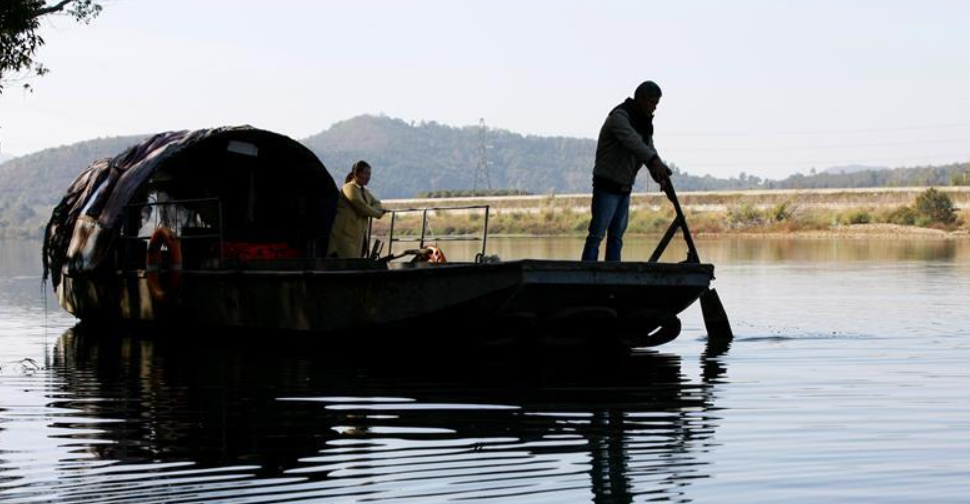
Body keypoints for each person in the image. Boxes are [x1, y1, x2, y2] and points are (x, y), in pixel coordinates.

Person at [581, 80, 672, 262]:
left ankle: (613, 276)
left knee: (616, 238)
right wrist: (654, 161)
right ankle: (587, 275)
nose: (654, 108)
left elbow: (648, 148)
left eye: (657, 104)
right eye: (652, 103)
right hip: (607, 186)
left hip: (624, 187)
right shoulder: (619, 117)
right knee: (597, 235)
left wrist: (660, 174)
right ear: (640, 99)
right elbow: (634, 143)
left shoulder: (645, 124)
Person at [327, 160, 387, 258]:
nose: (368, 177)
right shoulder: (349, 188)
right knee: (347, 263)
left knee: (355, 262)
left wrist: (376, 209)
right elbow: (361, 206)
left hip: (356, 236)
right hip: (345, 235)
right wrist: (378, 213)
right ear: (357, 174)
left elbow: (376, 203)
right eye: (365, 173)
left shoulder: (364, 191)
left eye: (369, 174)